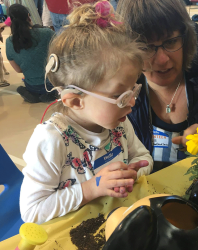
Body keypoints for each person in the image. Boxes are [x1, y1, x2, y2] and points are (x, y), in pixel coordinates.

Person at [20, 0, 153, 224]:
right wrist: (92, 188)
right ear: (74, 101)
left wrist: (129, 174)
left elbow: (144, 157)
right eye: (119, 96)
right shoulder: (51, 141)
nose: (132, 103)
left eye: (133, 90)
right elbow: (33, 211)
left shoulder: (118, 123)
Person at [117, 0, 198, 170]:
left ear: (186, 38)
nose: (162, 59)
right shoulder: (117, 88)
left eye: (171, 41)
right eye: (146, 47)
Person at [6, 4, 56, 103]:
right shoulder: (47, 33)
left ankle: (33, 94)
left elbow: (18, 70)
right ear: (28, 16)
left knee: (28, 84)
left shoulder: (10, 42)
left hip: (32, 86)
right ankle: (50, 94)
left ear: (11, 21)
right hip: (52, 83)